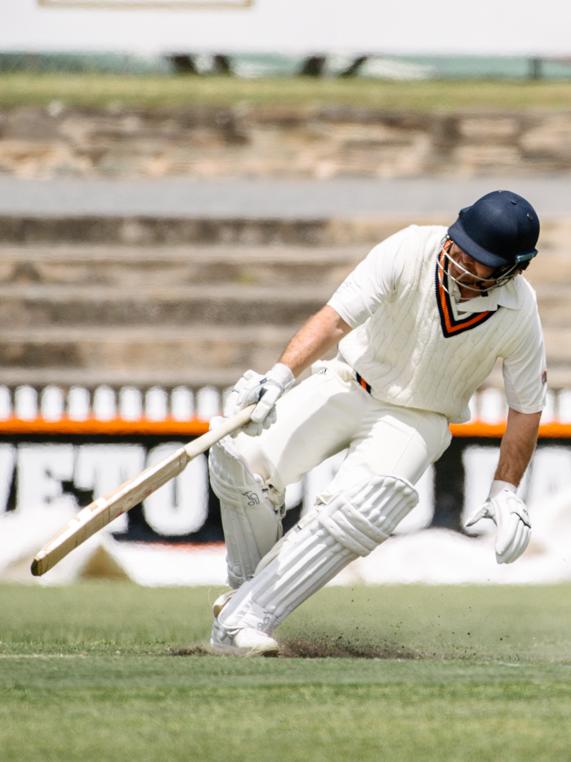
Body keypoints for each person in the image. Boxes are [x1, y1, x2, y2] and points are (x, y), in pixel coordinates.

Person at [207, 190, 546, 656]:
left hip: (417, 416)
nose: (462, 261)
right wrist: (280, 375)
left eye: (480, 260)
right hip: (349, 381)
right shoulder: (409, 249)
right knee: (238, 457)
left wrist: (505, 489)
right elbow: (335, 319)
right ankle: (245, 595)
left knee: (366, 504)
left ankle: (244, 620)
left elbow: (526, 405)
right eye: (461, 245)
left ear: (511, 269)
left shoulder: (520, 311)